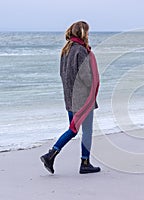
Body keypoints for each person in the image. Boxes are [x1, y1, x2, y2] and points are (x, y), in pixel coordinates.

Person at [40, 21, 100, 174]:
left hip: (70, 98)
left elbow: (63, 74)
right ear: (82, 33)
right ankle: (84, 163)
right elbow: (86, 78)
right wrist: (95, 81)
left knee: (73, 129)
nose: (88, 35)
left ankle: (51, 155)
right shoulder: (81, 51)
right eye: (87, 32)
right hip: (83, 99)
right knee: (86, 131)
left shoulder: (66, 50)